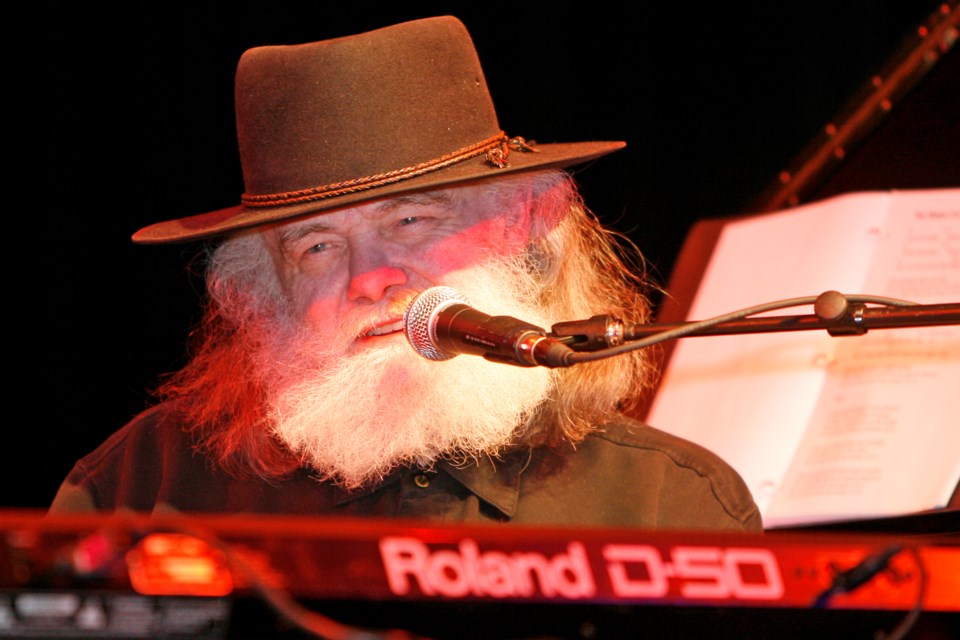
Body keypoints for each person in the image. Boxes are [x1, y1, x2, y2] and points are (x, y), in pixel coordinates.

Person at [49, 15, 762, 532]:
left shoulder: (667, 505)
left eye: (411, 222)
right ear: (260, 295)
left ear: (521, 226)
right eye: (318, 247)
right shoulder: (144, 486)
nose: (371, 279)